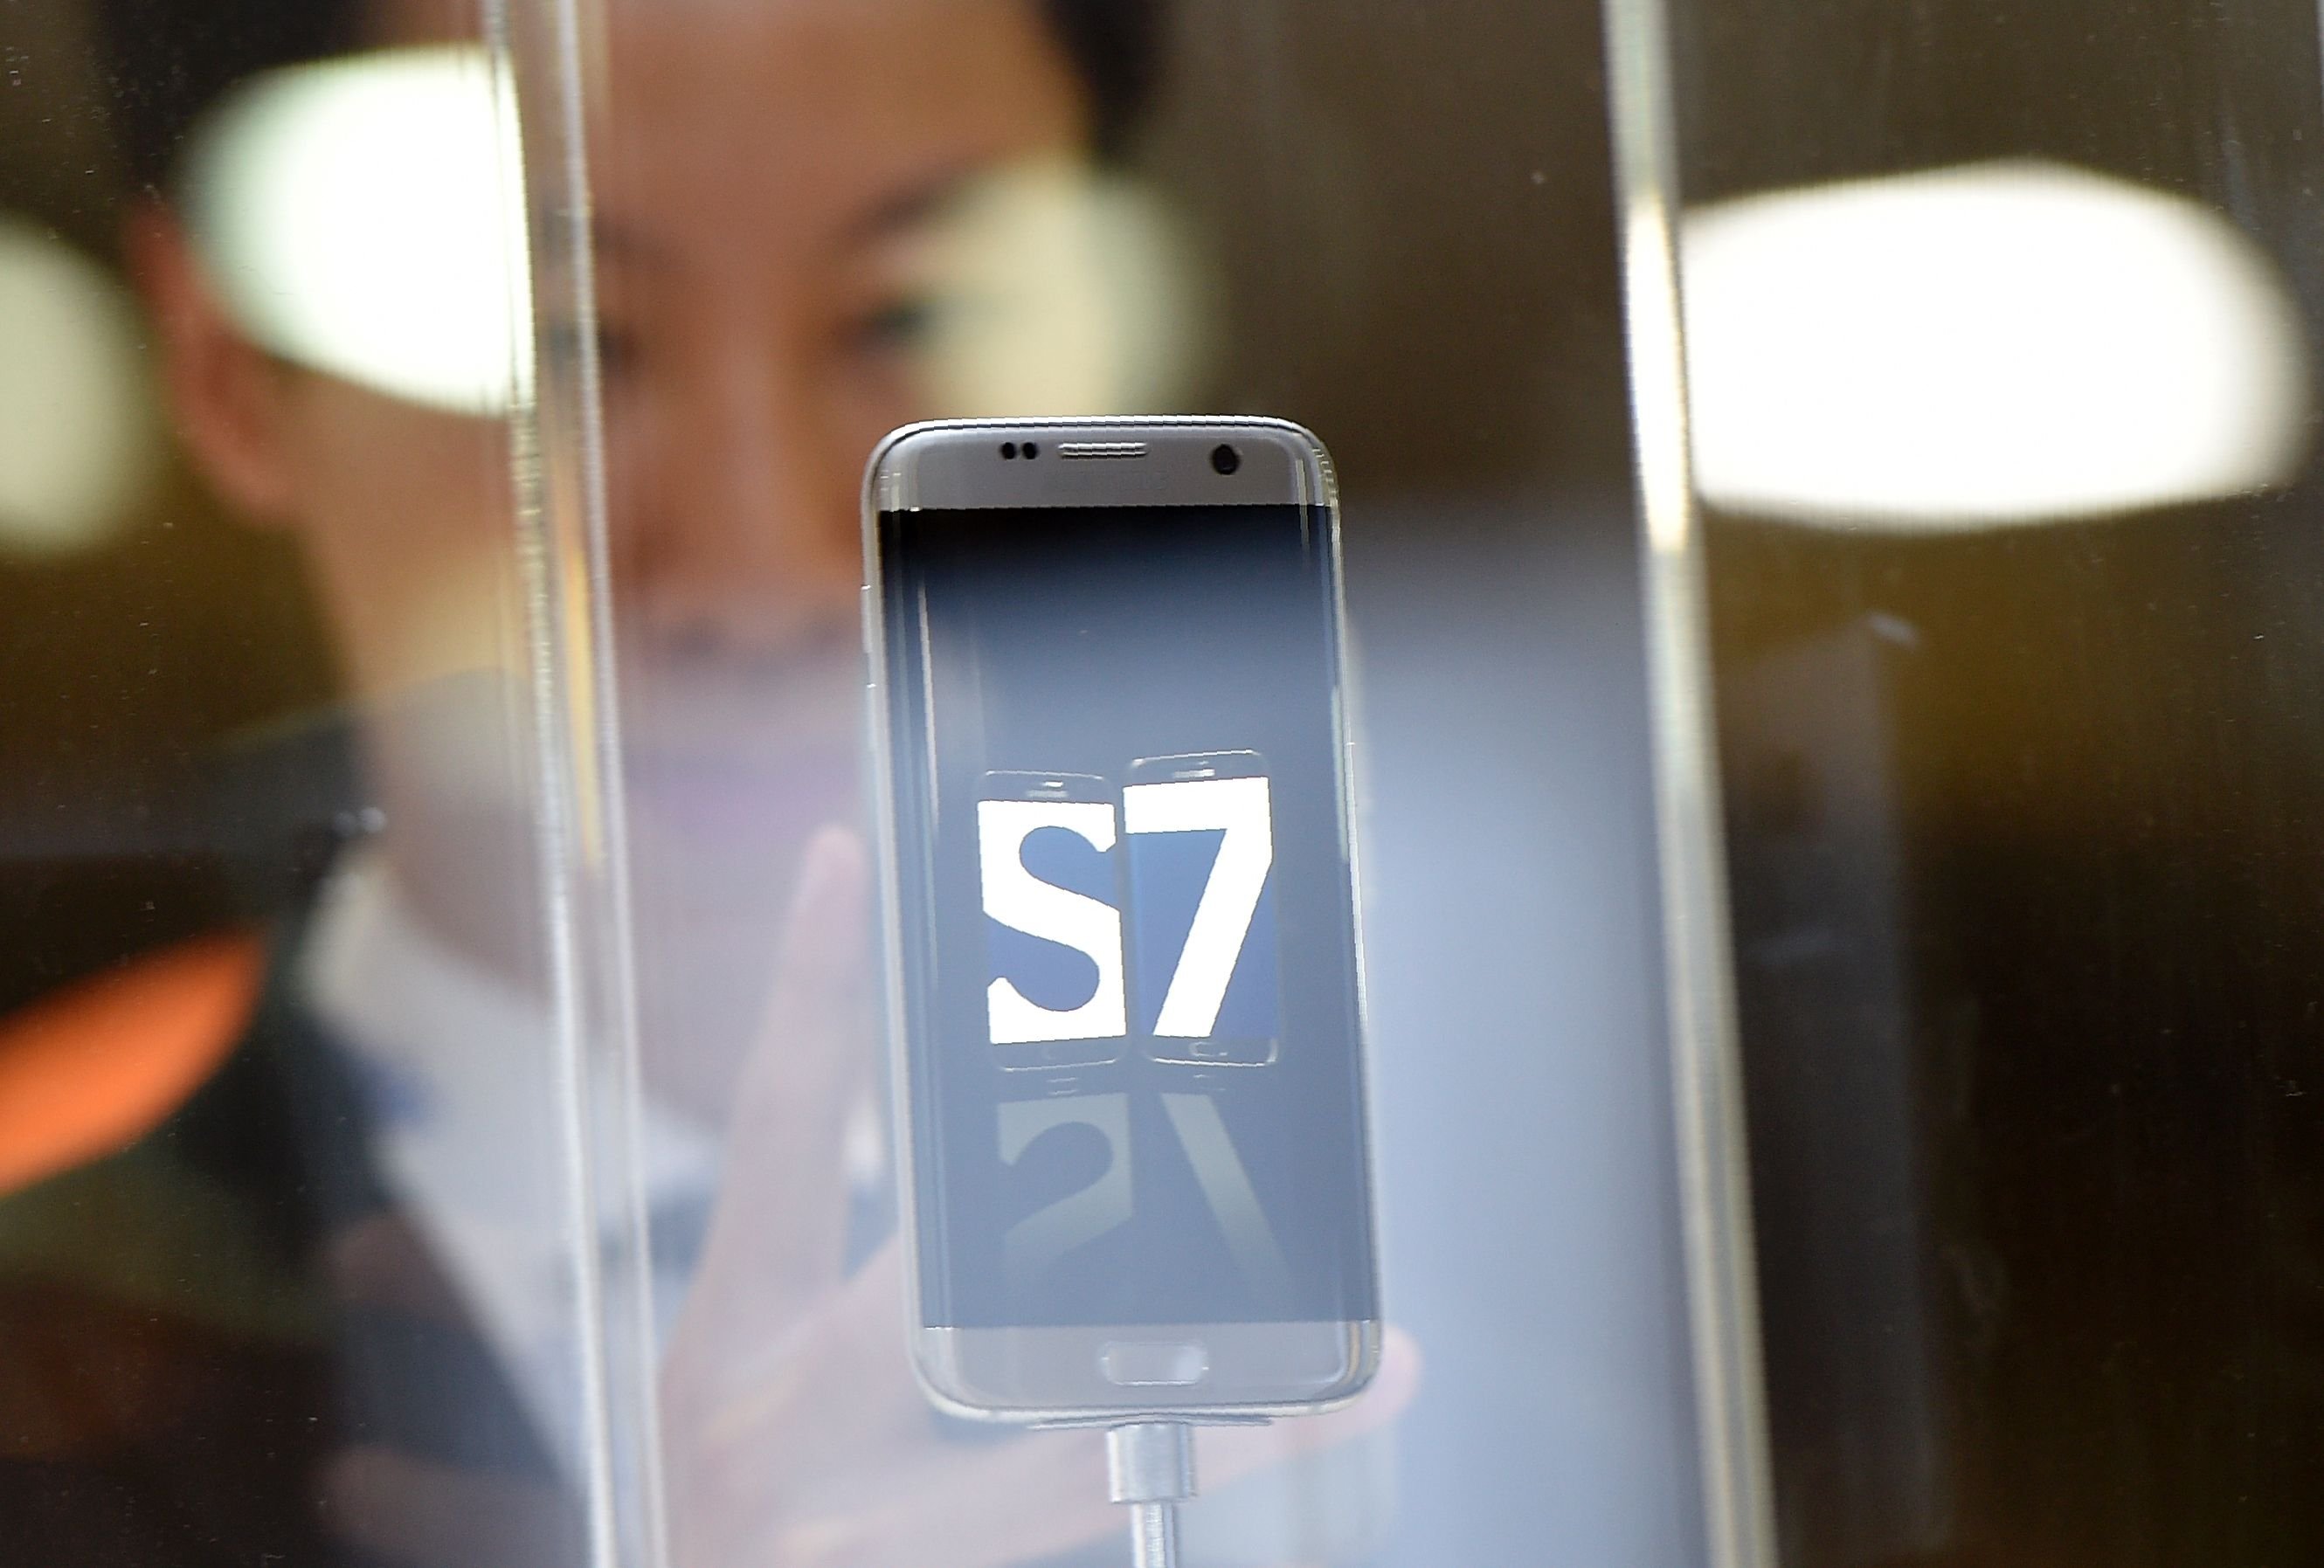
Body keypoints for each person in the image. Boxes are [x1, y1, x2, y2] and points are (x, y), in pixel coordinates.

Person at [0, 0, 1416, 1562]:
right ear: (222, 363)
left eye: (911, 315)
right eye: (565, 343)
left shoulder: (1464, 1415)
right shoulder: (42, 1408)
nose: (758, 570)